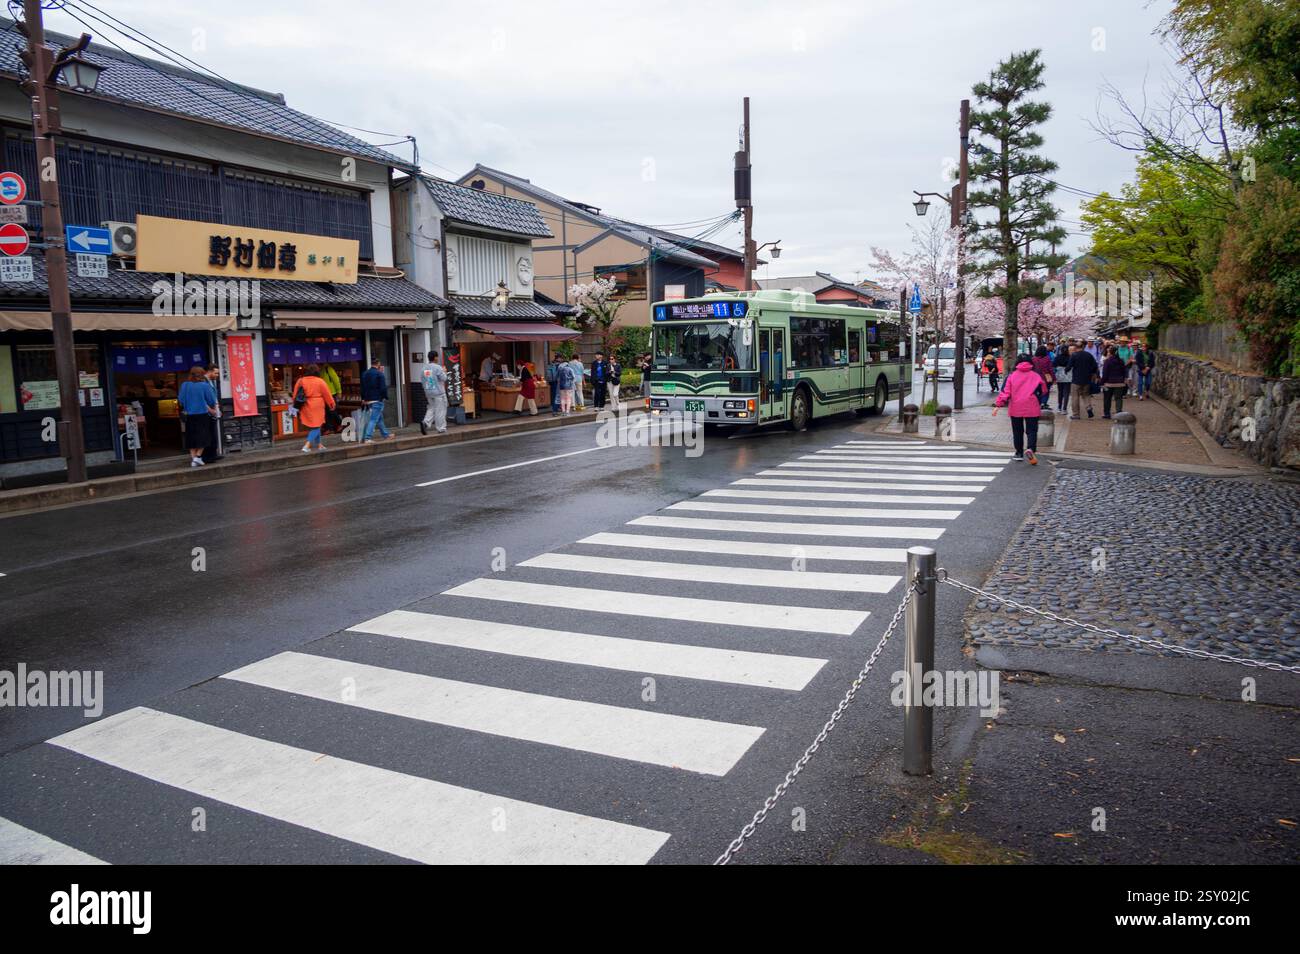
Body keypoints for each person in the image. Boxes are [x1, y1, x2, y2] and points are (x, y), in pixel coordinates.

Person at [994, 355, 1045, 464]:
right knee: (1032, 430)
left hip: (1016, 406)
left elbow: (1005, 392)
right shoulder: (1036, 376)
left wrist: (999, 403)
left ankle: (1019, 453)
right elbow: (1043, 390)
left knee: (1017, 431)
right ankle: (1031, 449)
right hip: (1032, 405)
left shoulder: (1011, 376)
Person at [178, 365, 219, 468]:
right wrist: (213, 409)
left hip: (189, 415)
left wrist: (188, 405)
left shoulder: (185, 385)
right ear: (201, 374)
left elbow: (181, 400)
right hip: (202, 414)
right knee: (204, 437)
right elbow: (211, 400)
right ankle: (198, 456)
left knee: (191, 437)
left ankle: (194, 460)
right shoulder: (204, 385)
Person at [295, 364, 335, 453]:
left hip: (305, 404)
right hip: (317, 405)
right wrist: (331, 403)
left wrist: (296, 405)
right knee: (317, 425)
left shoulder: (301, 381)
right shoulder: (320, 381)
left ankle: (319, 444)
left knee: (314, 425)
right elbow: (327, 394)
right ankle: (307, 444)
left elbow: (295, 394)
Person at [360, 357, 394, 443]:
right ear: (378, 364)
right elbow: (383, 388)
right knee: (373, 419)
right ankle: (367, 438)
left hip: (368, 400)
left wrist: (363, 398)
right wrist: (385, 397)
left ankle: (386, 435)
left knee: (379, 418)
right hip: (377, 399)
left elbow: (363, 388)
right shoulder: (379, 374)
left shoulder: (365, 374)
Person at [1068, 342, 1100, 420]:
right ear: (1083, 346)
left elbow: (1069, 366)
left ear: (1076, 347)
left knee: (1075, 397)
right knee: (1086, 395)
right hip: (1087, 379)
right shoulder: (1089, 355)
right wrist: (1094, 374)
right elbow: (1095, 366)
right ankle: (1088, 408)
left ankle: (1076, 414)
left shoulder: (1074, 355)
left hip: (1076, 379)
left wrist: (1066, 370)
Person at [419, 351, 448, 434]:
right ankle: (441, 428)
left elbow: (423, 381)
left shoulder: (423, 368)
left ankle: (425, 423)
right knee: (440, 410)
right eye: (437, 357)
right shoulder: (438, 367)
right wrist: (445, 371)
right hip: (439, 393)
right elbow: (444, 378)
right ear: (435, 357)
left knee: (431, 408)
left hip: (428, 392)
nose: (438, 358)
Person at [201, 362, 223, 463]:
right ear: (209, 371)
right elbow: (202, 399)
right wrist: (211, 410)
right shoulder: (203, 382)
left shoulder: (210, 381)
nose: (217, 375)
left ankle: (213, 455)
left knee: (213, 434)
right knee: (208, 435)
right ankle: (207, 457)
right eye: (216, 373)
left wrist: (217, 410)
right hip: (207, 412)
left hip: (213, 411)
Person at [1100, 345, 1127, 418]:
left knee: (1107, 399)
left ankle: (1107, 413)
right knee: (1118, 398)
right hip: (1120, 383)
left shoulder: (1107, 361)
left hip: (1109, 383)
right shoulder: (1121, 361)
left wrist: (1102, 382)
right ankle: (1119, 412)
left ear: (1110, 352)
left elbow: (1105, 374)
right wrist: (1124, 379)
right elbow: (1124, 371)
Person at [1031, 346, 1055, 410]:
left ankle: (1038, 402)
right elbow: (1050, 369)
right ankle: (1043, 403)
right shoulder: (1047, 359)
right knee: (1046, 391)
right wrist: (1053, 378)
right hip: (1046, 377)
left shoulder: (1033, 359)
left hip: (1035, 378)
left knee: (1036, 391)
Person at [1052, 341, 1073, 413]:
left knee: (1060, 392)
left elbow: (1053, 365)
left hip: (1059, 375)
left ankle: (1059, 407)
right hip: (1068, 375)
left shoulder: (1057, 357)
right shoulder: (1070, 357)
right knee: (1066, 392)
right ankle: (1064, 409)